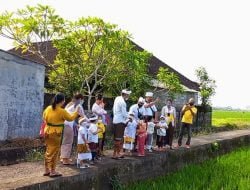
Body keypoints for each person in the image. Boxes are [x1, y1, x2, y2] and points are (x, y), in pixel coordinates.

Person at [43, 93, 79, 177]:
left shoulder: (48, 108)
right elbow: (70, 118)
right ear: (62, 101)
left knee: (48, 150)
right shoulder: (61, 111)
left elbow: (44, 117)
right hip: (56, 132)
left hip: (47, 131)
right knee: (54, 151)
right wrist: (76, 113)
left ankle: (46, 169)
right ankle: (52, 171)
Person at [60, 93, 85, 165]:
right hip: (68, 125)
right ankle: (65, 160)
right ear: (80, 99)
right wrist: (91, 121)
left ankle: (63, 157)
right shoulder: (78, 105)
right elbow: (83, 116)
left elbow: (69, 115)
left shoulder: (69, 104)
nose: (82, 101)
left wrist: (76, 124)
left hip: (64, 124)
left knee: (64, 141)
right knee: (68, 142)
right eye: (82, 99)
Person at [112, 89, 131, 159]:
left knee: (117, 139)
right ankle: (116, 154)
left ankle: (116, 153)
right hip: (120, 122)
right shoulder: (123, 102)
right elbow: (124, 114)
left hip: (115, 120)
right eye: (128, 95)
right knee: (118, 139)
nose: (128, 96)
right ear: (125, 95)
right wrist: (130, 117)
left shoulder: (117, 98)